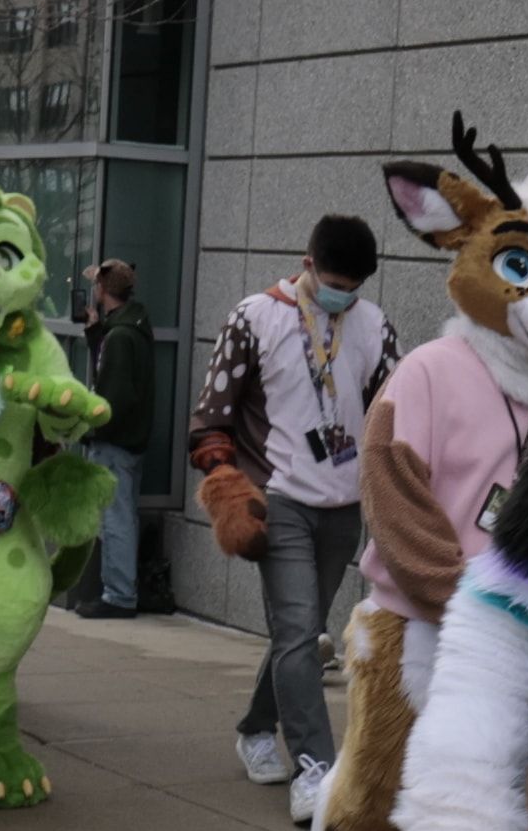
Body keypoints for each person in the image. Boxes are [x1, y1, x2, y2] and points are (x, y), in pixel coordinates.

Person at [190, 215, 391, 792]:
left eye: (353, 288)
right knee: (301, 631)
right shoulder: (255, 317)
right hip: (276, 500)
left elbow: (395, 411)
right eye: (333, 283)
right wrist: (226, 486)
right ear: (307, 264)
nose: (342, 297)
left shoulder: (373, 325)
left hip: (342, 506)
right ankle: (317, 769)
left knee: (297, 636)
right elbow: (211, 416)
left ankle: (256, 728)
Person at [67, 257, 159, 618]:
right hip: (127, 439)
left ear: (103, 289)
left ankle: (119, 595)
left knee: (115, 519)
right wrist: (95, 333)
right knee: (122, 517)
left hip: (115, 441)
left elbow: (113, 395)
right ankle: (119, 591)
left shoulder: (120, 336)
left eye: (96, 285)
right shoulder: (129, 327)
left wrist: (91, 428)